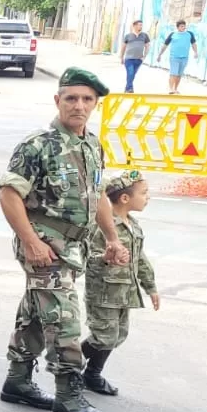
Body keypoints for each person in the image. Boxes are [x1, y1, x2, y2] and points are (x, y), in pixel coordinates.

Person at [0, 67, 127, 412]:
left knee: (38, 312)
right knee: (65, 317)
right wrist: (31, 241)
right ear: (58, 101)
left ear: (95, 105)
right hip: (44, 244)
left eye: (87, 100)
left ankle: (18, 380)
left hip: (74, 247)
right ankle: (68, 395)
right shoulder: (37, 145)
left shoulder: (93, 145)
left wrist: (112, 239)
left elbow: (98, 194)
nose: (79, 106)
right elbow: (9, 195)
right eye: (71, 98)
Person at [82, 170, 159, 397]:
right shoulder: (104, 227)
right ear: (125, 198)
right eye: (144, 193)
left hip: (124, 292)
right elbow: (89, 258)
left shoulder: (133, 225)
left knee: (117, 335)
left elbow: (140, 258)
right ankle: (71, 367)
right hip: (104, 292)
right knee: (103, 335)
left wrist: (151, 287)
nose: (148, 197)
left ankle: (90, 373)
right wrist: (105, 258)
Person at [159, 19, 196, 93]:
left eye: (184, 26)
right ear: (178, 27)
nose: (183, 28)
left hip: (184, 58)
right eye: (182, 26)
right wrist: (160, 54)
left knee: (179, 74)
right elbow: (165, 45)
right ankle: (170, 89)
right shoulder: (173, 34)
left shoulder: (190, 34)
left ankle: (175, 88)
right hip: (174, 57)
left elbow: (193, 44)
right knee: (173, 73)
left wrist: (196, 52)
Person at [120, 20, 149, 93]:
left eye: (141, 25)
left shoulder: (144, 35)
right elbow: (123, 47)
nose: (141, 26)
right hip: (129, 59)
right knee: (130, 73)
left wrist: (144, 57)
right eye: (139, 25)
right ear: (134, 26)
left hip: (138, 59)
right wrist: (121, 57)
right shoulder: (128, 36)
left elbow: (147, 46)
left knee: (132, 74)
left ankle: (127, 88)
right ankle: (130, 89)